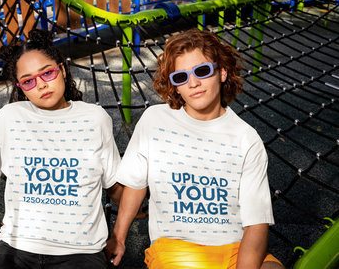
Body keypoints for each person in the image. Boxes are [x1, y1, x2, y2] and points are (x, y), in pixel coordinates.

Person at [0, 29, 122, 269]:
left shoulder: (94, 118)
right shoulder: (9, 117)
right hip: (15, 247)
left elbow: (113, 184)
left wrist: (128, 222)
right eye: (28, 80)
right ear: (20, 87)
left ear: (62, 69)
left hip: (80, 251)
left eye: (47, 73)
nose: (41, 85)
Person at [106, 28, 284, 269]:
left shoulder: (246, 138)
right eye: (180, 77)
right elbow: (136, 185)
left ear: (222, 72)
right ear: (175, 86)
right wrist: (119, 237)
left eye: (202, 71)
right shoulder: (155, 120)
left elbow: (256, 223)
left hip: (236, 247)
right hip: (176, 248)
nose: (193, 83)